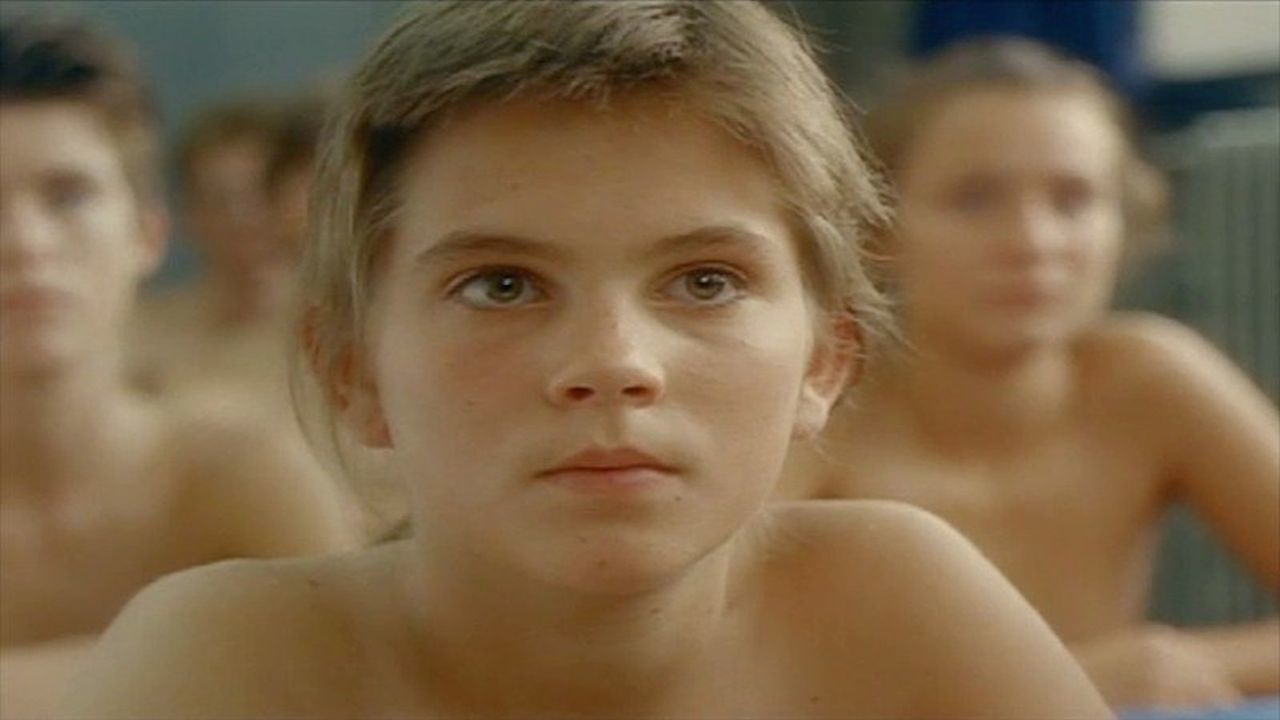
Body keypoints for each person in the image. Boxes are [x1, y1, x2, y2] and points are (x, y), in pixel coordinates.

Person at [64, 4, 1112, 718]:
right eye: (501, 285)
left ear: (825, 362)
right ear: (353, 373)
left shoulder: (899, 606)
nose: (612, 363)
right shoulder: (228, 662)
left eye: (705, 281)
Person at [777, 38, 1280, 711]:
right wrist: (1067, 677)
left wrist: (1193, 659)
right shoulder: (818, 415)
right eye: (974, 199)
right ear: (878, 228)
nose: (1033, 242)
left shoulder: (1150, 379)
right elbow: (702, 671)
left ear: (1125, 223)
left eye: (1073, 200)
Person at [0, 15, 358, 716]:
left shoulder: (240, 478)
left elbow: (352, 685)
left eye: (67, 195)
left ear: (147, 231)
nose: (24, 242)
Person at [127, 96, 292, 401]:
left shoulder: (342, 330)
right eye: (220, 200)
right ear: (188, 216)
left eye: (261, 193)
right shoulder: (147, 333)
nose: (244, 217)